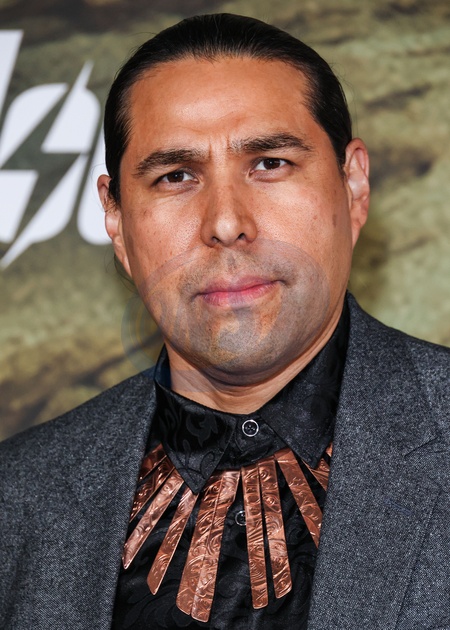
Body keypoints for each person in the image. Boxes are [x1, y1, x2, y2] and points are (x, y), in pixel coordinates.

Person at [0, 13, 448, 630]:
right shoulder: (18, 497)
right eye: (175, 176)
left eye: (269, 163)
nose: (226, 222)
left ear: (352, 186)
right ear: (116, 220)